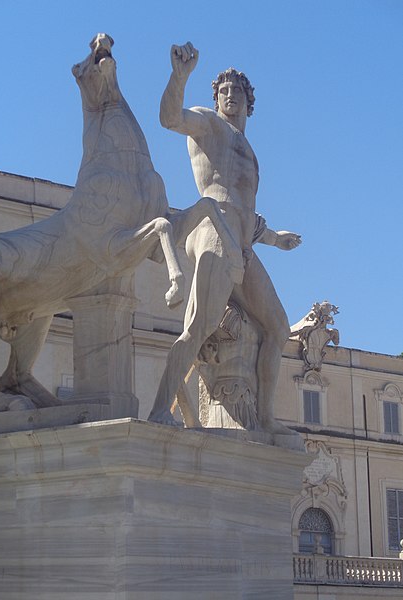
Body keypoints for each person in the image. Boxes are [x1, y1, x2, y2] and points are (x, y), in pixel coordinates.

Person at [148, 42, 301, 433]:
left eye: (238, 92)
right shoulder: (208, 124)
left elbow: (245, 208)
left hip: (243, 241)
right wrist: (180, 76)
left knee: (279, 327)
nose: (230, 96)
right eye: (224, 91)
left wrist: (273, 237)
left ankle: (266, 420)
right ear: (215, 100)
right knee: (200, 324)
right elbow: (169, 117)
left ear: (250, 104)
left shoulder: (249, 150)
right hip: (212, 230)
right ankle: (159, 410)